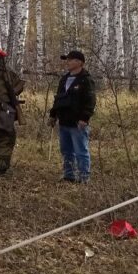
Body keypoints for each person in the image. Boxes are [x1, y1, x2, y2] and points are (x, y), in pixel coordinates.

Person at [48, 49, 96, 183]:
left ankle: (84, 177)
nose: (67, 62)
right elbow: (58, 99)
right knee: (66, 151)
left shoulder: (86, 80)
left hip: (77, 123)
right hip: (63, 121)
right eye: (67, 60)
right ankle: (69, 175)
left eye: (70, 60)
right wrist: (53, 115)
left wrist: (84, 118)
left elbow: (90, 101)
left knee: (81, 151)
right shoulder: (64, 79)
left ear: (79, 62)